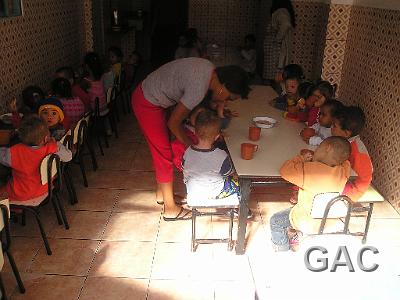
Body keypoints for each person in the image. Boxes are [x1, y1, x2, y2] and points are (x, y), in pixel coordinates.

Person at [131, 57, 250, 220]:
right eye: (229, 97)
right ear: (223, 87)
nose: (226, 101)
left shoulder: (209, 70)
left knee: (163, 149)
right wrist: (192, 149)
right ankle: (170, 209)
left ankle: (163, 195)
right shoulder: (198, 88)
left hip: (153, 96)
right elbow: (174, 123)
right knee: (163, 154)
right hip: (147, 102)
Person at [270, 136, 351, 251]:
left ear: (327, 148)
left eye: (319, 147)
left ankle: (281, 248)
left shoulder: (307, 169)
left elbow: (285, 170)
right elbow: (346, 163)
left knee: (275, 220)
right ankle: (302, 235)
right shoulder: (342, 172)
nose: (317, 149)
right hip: (330, 220)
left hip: (307, 221)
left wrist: (301, 158)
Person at [0, 115, 72, 204]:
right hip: (45, 189)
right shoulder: (52, 147)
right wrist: (56, 143)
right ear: (46, 138)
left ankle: (10, 214)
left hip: (21, 194)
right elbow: (68, 156)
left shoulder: (14, 151)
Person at [183, 110, 239, 200]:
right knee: (241, 183)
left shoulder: (188, 151)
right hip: (215, 192)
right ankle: (243, 208)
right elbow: (229, 173)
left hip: (193, 191)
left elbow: (184, 169)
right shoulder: (221, 155)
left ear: (195, 133)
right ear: (217, 136)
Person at [331, 106, 373, 201]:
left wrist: (352, 196)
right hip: (342, 178)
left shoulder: (357, 152)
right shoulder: (344, 140)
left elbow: (366, 178)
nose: (331, 128)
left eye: (334, 126)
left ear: (346, 133)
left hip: (352, 187)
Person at [264, 0, 296, 82]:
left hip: (276, 49)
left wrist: (277, 39)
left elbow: (286, 24)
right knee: (274, 75)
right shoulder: (283, 12)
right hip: (274, 49)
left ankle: (273, 91)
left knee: (275, 74)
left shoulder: (281, 12)